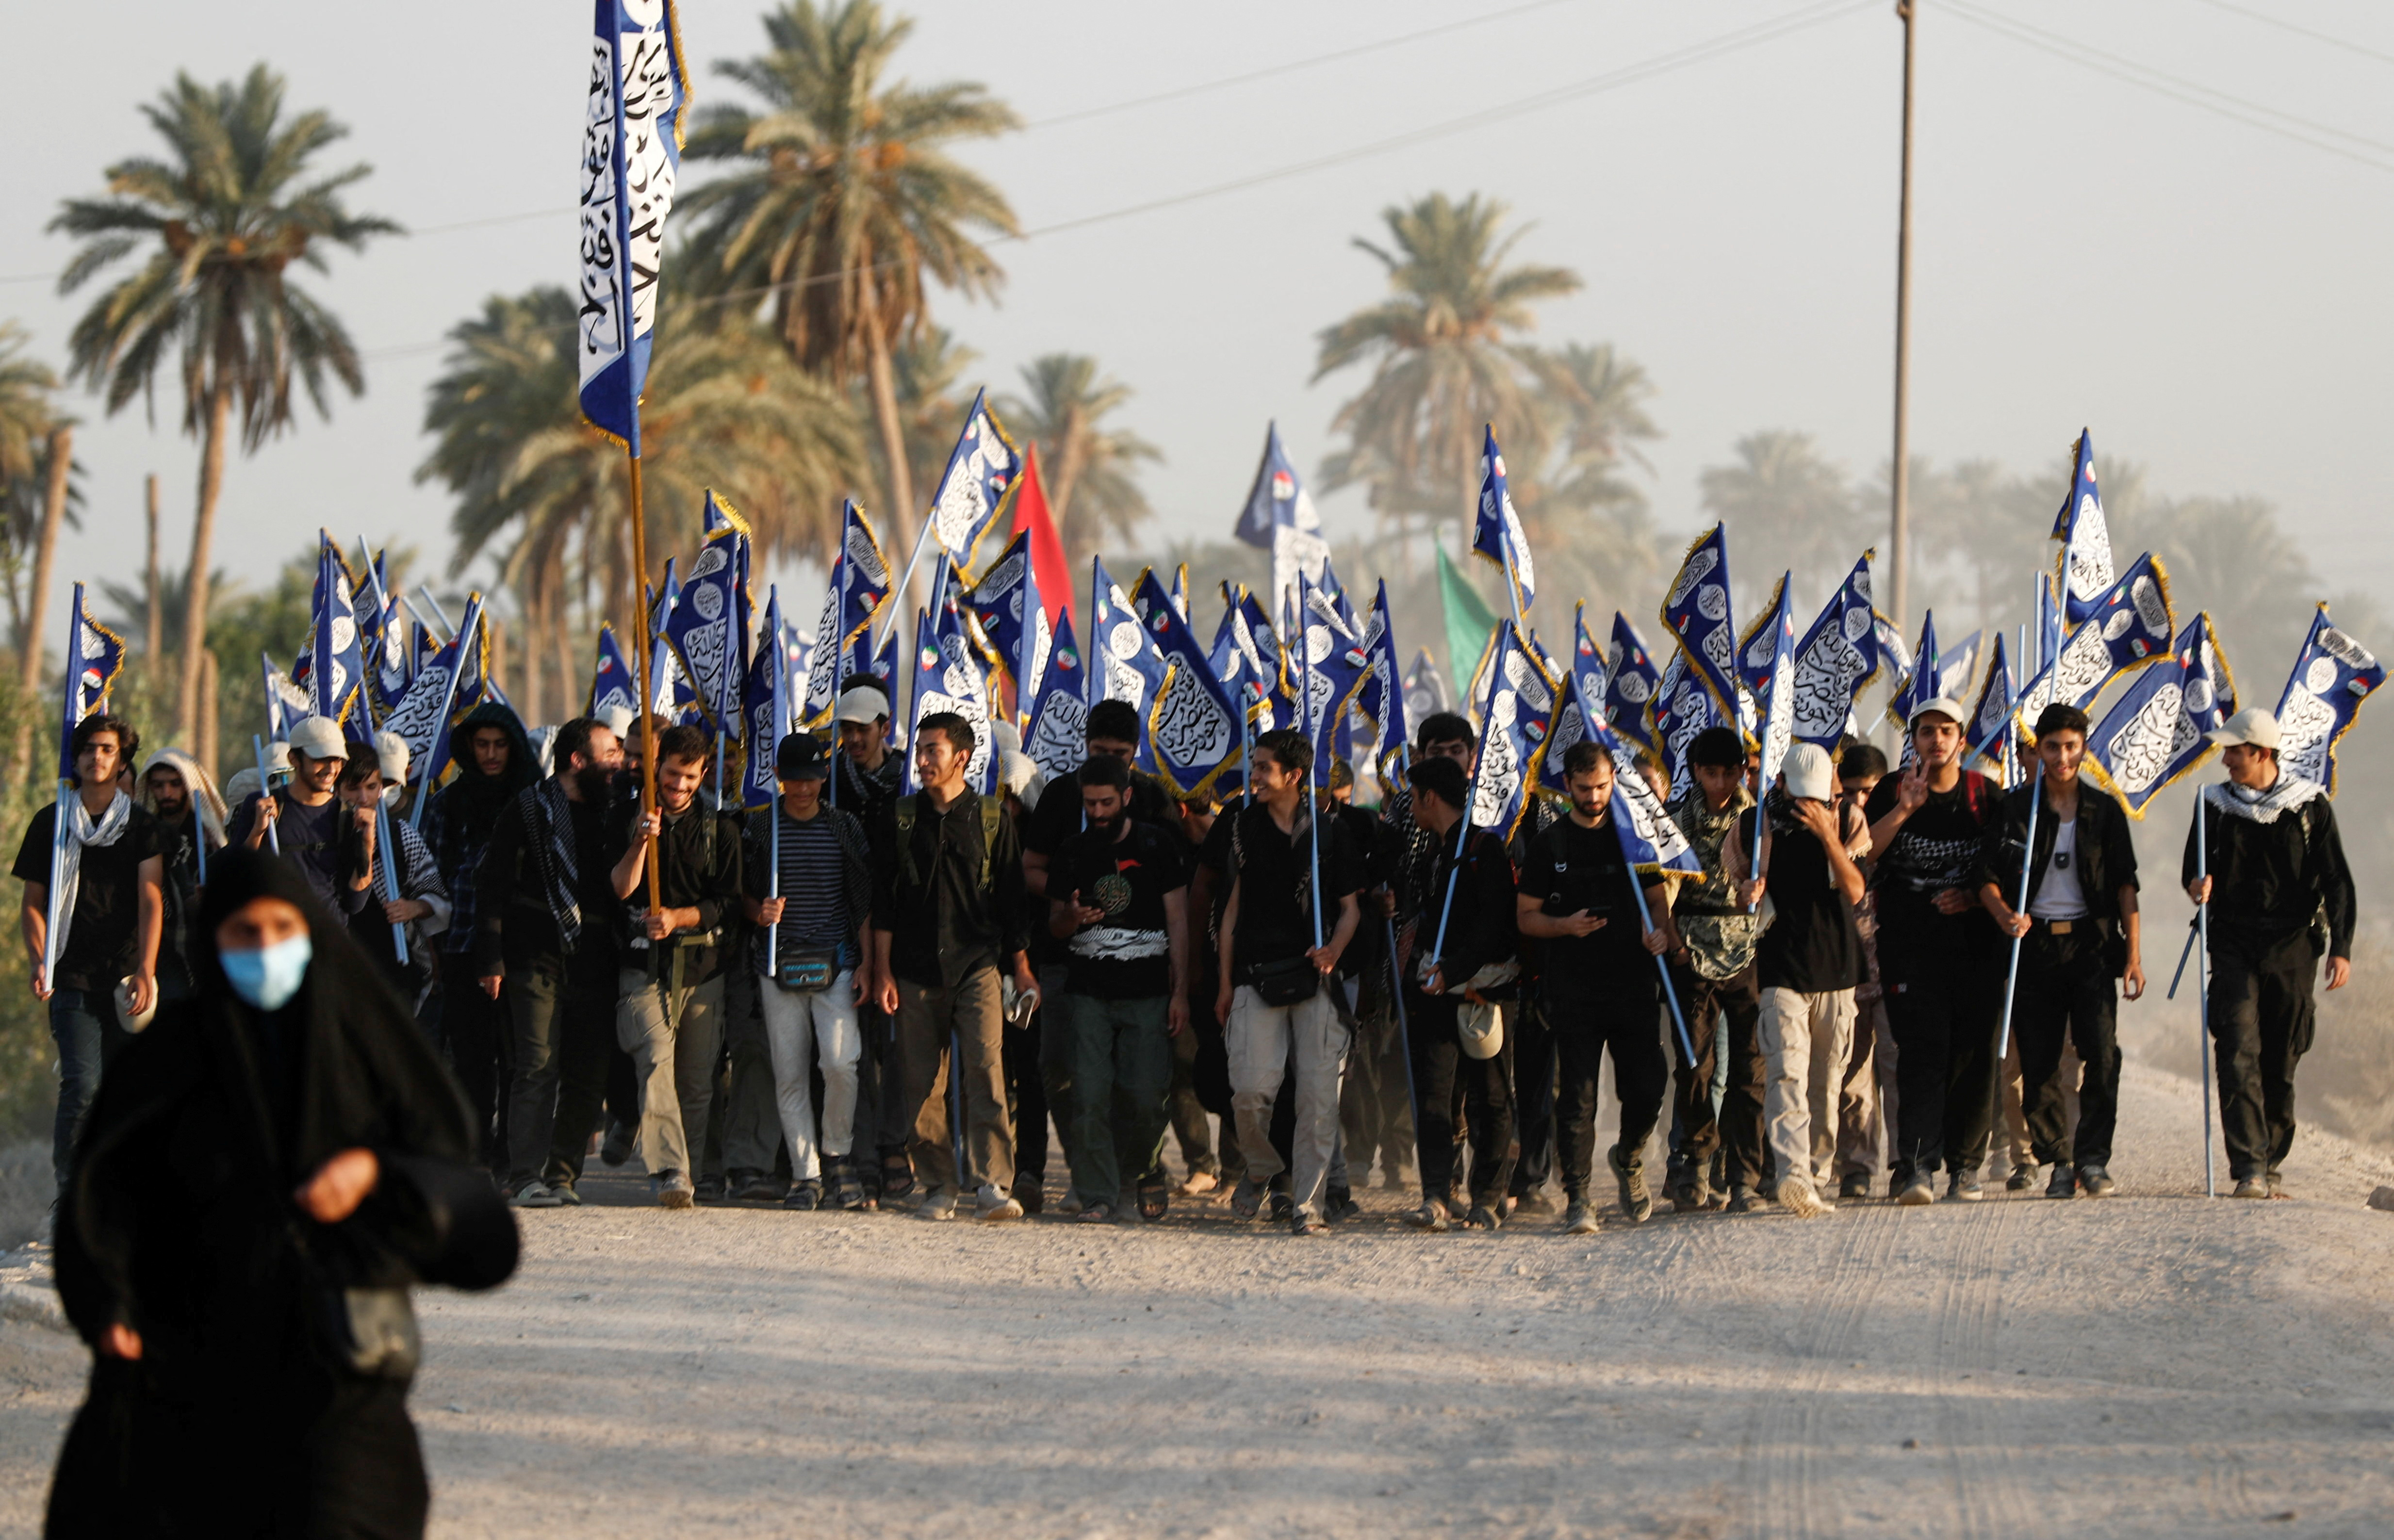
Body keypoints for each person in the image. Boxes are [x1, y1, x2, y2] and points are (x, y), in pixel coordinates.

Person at [46, 849, 517, 1538]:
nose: (264, 948)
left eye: (280, 928)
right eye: (244, 933)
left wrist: (378, 1180)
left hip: (340, 1399)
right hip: (184, 1398)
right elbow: (97, 1206)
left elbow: (482, 1236)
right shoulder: (165, 1064)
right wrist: (106, 1309)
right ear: (213, 942)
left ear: (310, 934)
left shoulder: (368, 1057)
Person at [2181, 706, 2356, 1199]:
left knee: (2280, 1057)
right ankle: (2248, 1167)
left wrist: (2339, 948)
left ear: (2259, 753)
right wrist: (2198, 887)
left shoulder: (2307, 806)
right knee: (2235, 1047)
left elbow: (2336, 881)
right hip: (2233, 943)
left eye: (2233, 752)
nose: (2226, 762)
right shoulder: (2211, 805)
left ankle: (2271, 1154)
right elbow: (2190, 871)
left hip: (2293, 947)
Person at [870, 712, 1037, 1223]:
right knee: (922, 1084)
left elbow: (1012, 903)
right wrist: (881, 972)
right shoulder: (899, 819)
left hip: (977, 968)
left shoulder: (991, 819)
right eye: (919, 750)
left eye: (932, 751)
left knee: (987, 1074)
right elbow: (884, 904)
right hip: (914, 972)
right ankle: (939, 1185)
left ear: (961, 757)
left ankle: (992, 1184)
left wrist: (1022, 970)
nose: (921, 761)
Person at [1975, 703, 2143, 1199]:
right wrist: (2005, 914)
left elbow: (2125, 888)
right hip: (2034, 948)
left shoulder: (2104, 811)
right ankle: (2058, 1160)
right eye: (2052, 747)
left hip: (2091, 951)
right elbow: (1983, 877)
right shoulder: (2015, 809)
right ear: (2038, 751)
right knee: (2040, 1062)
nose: (2062, 757)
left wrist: (2132, 956)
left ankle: (2093, 1157)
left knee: (2101, 1055)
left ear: (2083, 749)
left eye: (2071, 747)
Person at [1518, 742, 1676, 1234]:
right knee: (1577, 1099)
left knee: (1648, 1085)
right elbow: (1526, 918)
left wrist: (1659, 932)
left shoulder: (1634, 838)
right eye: (1584, 788)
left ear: (1613, 782)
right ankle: (1579, 1197)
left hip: (1632, 987)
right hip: (1574, 992)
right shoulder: (1550, 846)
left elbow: (1657, 902)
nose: (1594, 797)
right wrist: (1563, 926)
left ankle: (1628, 1157)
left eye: (1602, 787)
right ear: (1567, 786)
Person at [1214, 728, 1361, 1236]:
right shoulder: (1240, 826)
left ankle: (1307, 1206)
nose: (1252, 775)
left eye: (1262, 768)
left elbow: (1349, 910)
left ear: (1293, 776)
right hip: (1255, 977)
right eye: (1253, 766)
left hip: (1317, 981)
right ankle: (1260, 1167)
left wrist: (1333, 950)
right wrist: (1223, 984)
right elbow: (1229, 910)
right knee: (1250, 1092)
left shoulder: (1330, 833)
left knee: (1318, 1100)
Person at [476, 716, 624, 1209]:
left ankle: (563, 1174)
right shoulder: (529, 807)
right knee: (537, 1065)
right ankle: (526, 1175)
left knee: (588, 1070)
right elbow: (493, 883)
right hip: (533, 955)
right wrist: (492, 957)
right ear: (578, 760)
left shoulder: (617, 811)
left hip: (598, 960)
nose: (618, 764)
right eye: (609, 755)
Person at [1865, 697, 2007, 1205]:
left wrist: (1970, 897)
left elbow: (2002, 870)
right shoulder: (1891, 790)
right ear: (1915, 740)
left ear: (1960, 740)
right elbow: (1863, 854)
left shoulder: (1984, 797)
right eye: (1926, 732)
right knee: (1921, 1055)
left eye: (1945, 732)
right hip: (1909, 948)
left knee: (1973, 1057)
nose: (1936, 741)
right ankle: (1916, 1165)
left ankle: (1965, 1167)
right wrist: (1904, 809)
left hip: (1974, 950)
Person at [14, 714, 164, 1195]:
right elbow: (34, 905)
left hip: (124, 977)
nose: (96, 758)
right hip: (71, 973)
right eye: (87, 749)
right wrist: (41, 960)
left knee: (125, 1090)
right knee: (81, 1088)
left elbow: (151, 899)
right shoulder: (51, 822)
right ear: (75, 759)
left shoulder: (141, 826)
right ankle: (71, 1189)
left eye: (106, 750)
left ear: (121, 760)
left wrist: (146, 969)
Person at [1046, 753, 1192, 1223]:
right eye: (1089, 804)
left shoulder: (1157, 845)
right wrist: (1072, 917)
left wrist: (1180, 992)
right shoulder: (1071, 851)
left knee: (1147, 1095)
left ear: (1126, 797)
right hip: (1089, 992)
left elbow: (1177, 920)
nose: (1098, 813)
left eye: (1106, 803)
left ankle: (1144, 1168)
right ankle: (1097, 1193)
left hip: (1148, 993)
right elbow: (1056, 926)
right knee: (1088, 1095)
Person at [607, 723, 742, 1209]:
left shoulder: (720, 828)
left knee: (696, 1078)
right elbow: (620, 889)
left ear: (703, 772)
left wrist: (679, 917)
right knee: (656, 1058)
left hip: (702, 967)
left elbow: (727, 904)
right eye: (670, 775)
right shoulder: (625, 816)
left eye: (689, 777)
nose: (679, 786)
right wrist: (641, 842)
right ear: (654, 766)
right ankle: (671, 1170)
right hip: (642, 968)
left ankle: (700, 1169)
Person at [745, 732, 874, 1211]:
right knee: (789, 1074)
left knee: (841, 1064)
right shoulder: (762, 830)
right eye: (795, 780)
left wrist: (864, 963)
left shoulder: (844, 828)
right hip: (777, 963)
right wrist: (759, 912)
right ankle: (806, 1175)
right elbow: (742, 893)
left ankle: (838, 1155)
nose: (804, 789)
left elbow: (862, 901)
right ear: (778, 778)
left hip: (835, 962)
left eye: (813, 779)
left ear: (825, 776)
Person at [1747, 742, 1868, 1219]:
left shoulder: (1847, 821)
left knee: (1825, 1082)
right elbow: (1744, 891)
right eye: (1800, 800)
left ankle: (1816, 1174)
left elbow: (1854, 889)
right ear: (1780, 787)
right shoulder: (1754, 826)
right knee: (1784, 1073)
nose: (1807, 809)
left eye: (1816, 801)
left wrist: (1826, 834)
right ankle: (1792, 1172)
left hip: (1836, 971)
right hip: (1781, 970)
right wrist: (1748, 891)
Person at [419, 702, 538, 1175]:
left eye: (500, 744)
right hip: (463, 946)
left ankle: (512, 1155)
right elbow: (430, 877)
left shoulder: (533, 801)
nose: (490, 755)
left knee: (518, 1058)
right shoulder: (447, 804)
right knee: (471, 1059)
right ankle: (474, 1150)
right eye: (481, 745)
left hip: (523, 947)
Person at [1403, 754, 1519, 1231]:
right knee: (1432, 1095)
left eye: (1412, 798)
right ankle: (1435, 1193)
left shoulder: (1483, 848)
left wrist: (1453, 970)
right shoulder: (1433, 851)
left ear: (1430, 798)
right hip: (1436, 991)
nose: (1409, 807)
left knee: (1489, 1098)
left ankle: (1487, 1197)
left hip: (1482, 994)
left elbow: (1492, 927)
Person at [1661, 725, 1766, 1213]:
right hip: (1691, 950)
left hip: (1748, 950)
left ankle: (1745, 1173)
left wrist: (1759, 888)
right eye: (1710, 773)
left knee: (1749, 1067)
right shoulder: (1674, 820)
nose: (1720, 782)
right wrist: (1674, 941)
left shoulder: (1760, 819)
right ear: (1695, 772)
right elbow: (1660, 887)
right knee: (1693, 1065)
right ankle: (1694, 1164)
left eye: (1730, 772)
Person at [831, 677, 906, 1202]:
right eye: (846, 729)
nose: (854, 739)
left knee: (898, 1050)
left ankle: (894, 1147)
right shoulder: (830, 782)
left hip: (902, 933)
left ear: (884, 728)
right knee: (850, 1051)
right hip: (841, 932)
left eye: (862, 729)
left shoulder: (910, 782)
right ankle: (862, 1157)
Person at [337, 741, 451, 1017]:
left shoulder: (403, 835)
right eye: (353, 788)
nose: (363, 798)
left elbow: (438, 898)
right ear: (338, 788)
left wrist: (414, 908)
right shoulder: (328, 838)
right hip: (343, 966)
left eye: (372, 787)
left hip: (396, 968)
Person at [1831, 741, 1895, 1199]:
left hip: (1893, 967)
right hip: (1845, 970)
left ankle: (1909, 1162)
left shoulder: (1900, 826)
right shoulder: (1833, 831)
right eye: (1850, 792)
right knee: (1851, 1076)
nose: (1859, 802)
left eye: (1869, 792)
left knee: (1897, 1071)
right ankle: (1855, 1166)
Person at [228, 716, 373, 919]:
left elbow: (355, 902)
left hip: (328, 940)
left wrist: (366, 844)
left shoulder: (347, 816)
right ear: (294, 759)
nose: (331, 769)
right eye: (320, 759)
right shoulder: (262, 805)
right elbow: (236, 878)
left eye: (337, 760)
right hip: (277, 938)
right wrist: (258, 831)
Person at [135, 746, 227, 1007]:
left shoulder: (207, 833)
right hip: (163, 945)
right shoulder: (147, 834)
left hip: (207, 944)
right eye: (159, 785)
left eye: (175, 784)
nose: (167, 793)